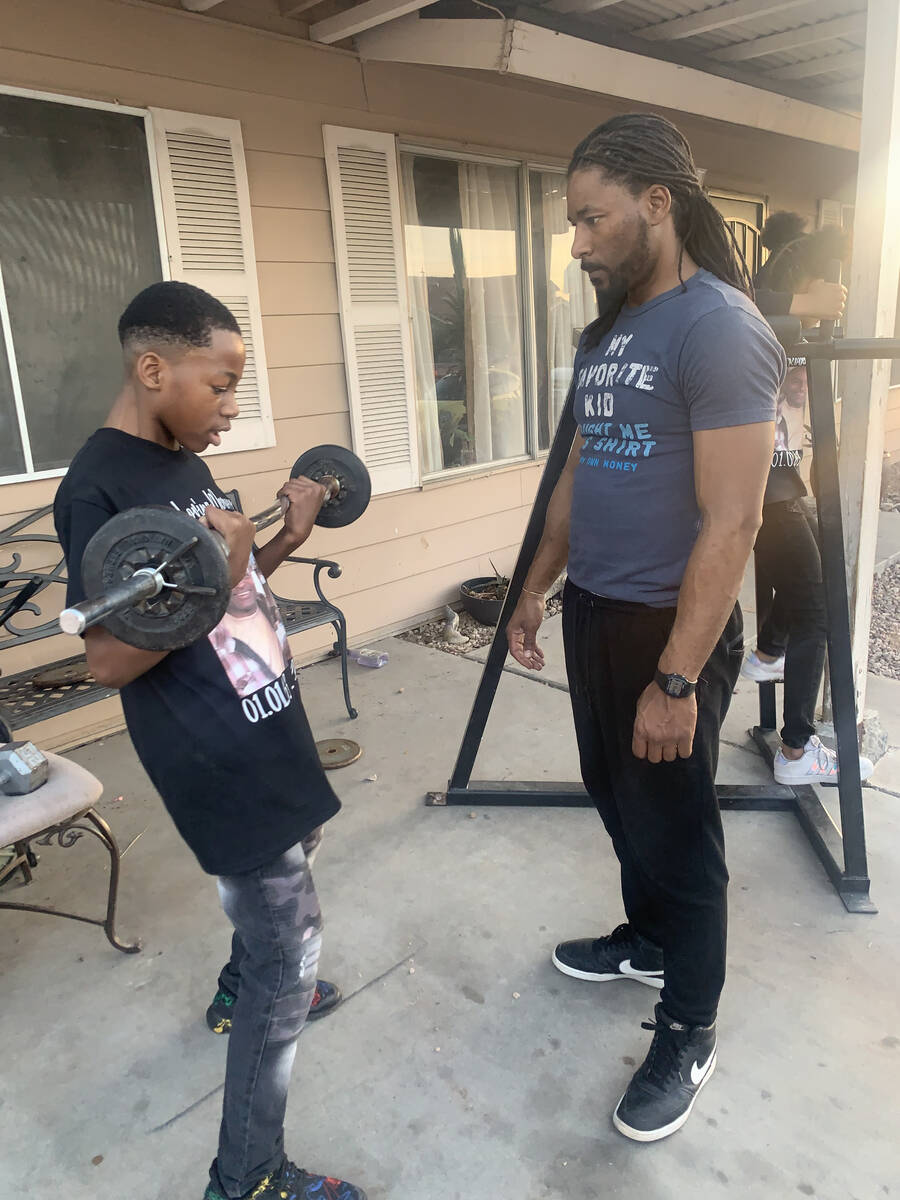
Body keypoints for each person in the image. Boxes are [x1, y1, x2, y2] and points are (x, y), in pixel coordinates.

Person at [54, 282, 366, 1200]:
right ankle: (249, 1178)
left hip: (264, 716)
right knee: (289, 947)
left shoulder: (180, 460)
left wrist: (277, 544)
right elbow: (109, 657)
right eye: (221, 385)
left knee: (299, 855)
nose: (233, 408)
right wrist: (229, 561)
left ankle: (239, 989)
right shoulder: (99, 488)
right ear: (153, 369)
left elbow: (215, 594)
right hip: (213, 750)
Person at [506, 113, 784, 1142]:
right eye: (573, 223)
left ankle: (690, 1026)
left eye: (593, 219)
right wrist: (535, 587)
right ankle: (651, 943)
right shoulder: (612, 332)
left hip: (673, 628)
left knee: (676, 831)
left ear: (656, 204)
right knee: (617, 796)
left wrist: (677, 679)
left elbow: (737, 517)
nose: (577, 242)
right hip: (597, 612)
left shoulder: (717, 327)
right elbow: (579, 476)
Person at [742, 230, 874, 785]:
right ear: (809, 280)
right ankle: (796, 752)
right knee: (819, 604)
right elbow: (743, 301)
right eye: (833, 282)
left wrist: (815, 314)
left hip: (782, 482)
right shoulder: (762, 314)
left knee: (808, 587)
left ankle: (770, 651)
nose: (840, 294)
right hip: (763, 487)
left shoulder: (798, 328)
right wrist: (805, 305)